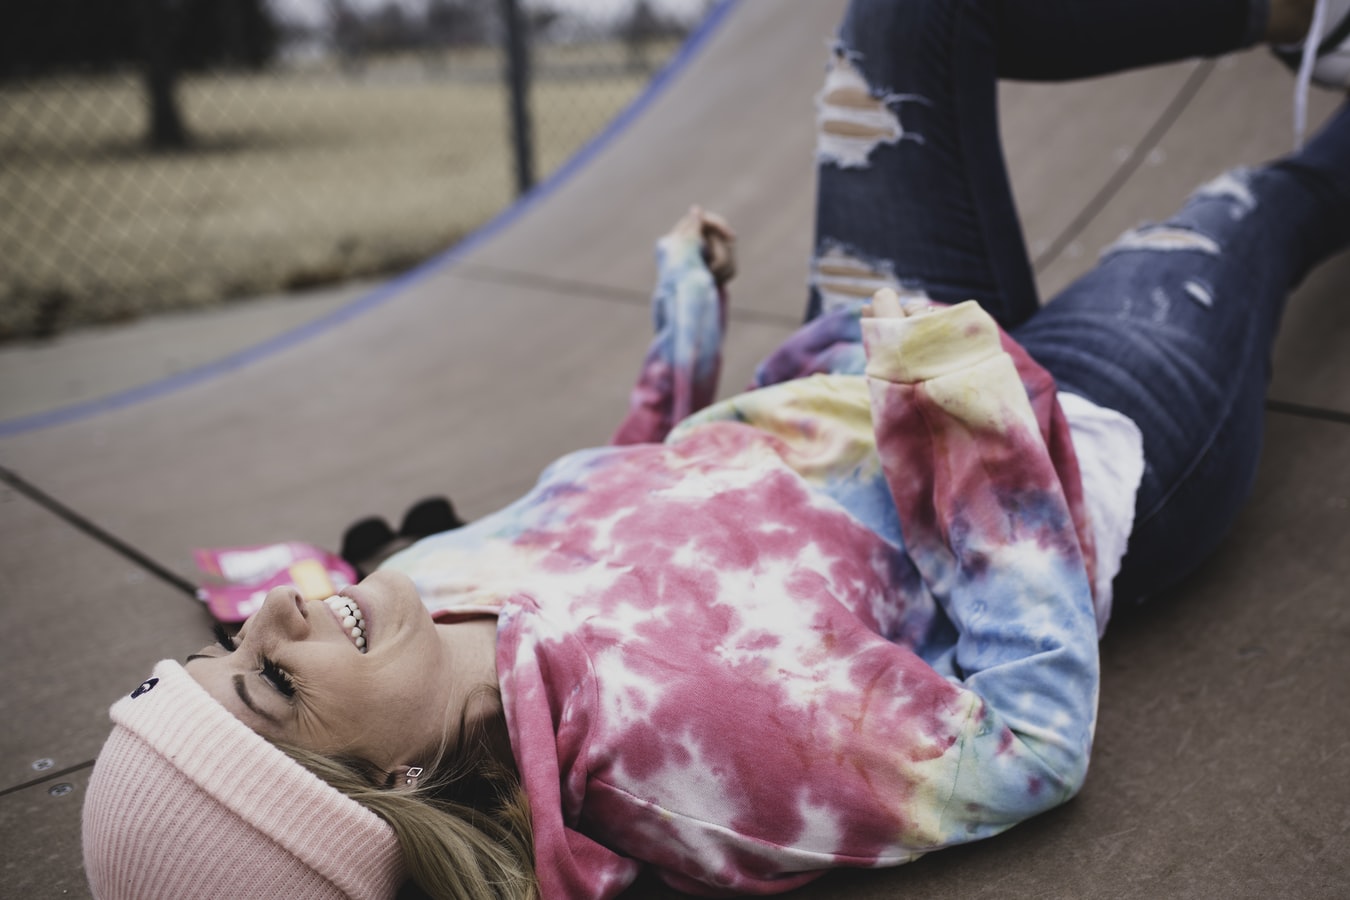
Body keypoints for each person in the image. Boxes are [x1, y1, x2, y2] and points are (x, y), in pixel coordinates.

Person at [82, 0, 1350, 897]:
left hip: (872, 362)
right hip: (1073, 463)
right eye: (272, 683)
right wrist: (971, 433)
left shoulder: (415, 593)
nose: (273, 618)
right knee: (1259, 205)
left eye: (226, 651)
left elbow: (610, 508)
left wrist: (682, 343)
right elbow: (1031, 748)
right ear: (393, 786)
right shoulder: (695, 756)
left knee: (906, 16)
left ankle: (1296, 12)